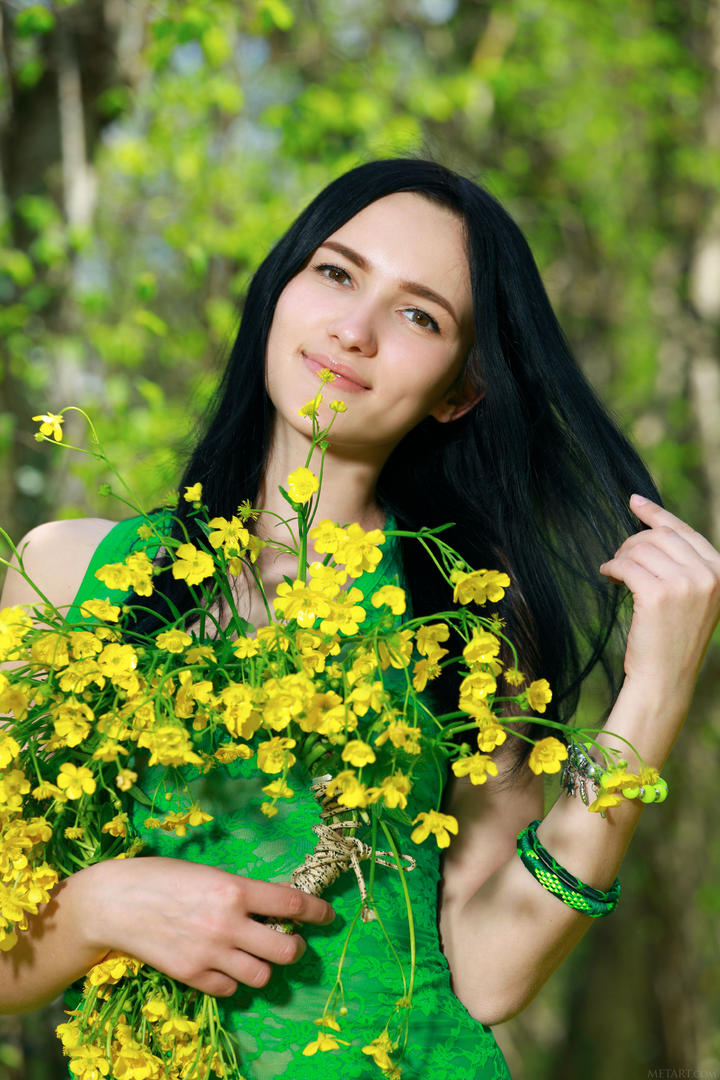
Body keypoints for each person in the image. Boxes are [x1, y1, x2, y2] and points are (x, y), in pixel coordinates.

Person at [2, 158, 719, 1079]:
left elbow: (491, 975)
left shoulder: (464, 618)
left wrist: (652, 701)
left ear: (461, 391)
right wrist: (100, 908)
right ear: (279, 291)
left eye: (419, 316)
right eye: (336, 273)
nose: (354, 330)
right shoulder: (69, 574)